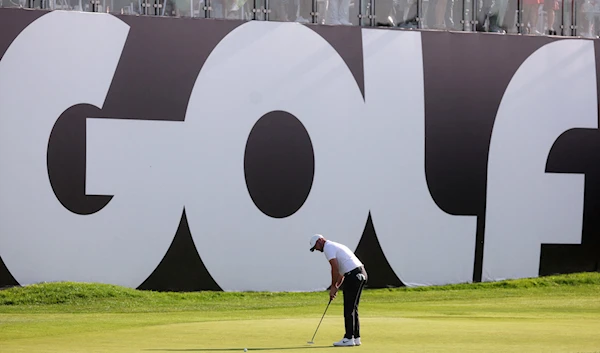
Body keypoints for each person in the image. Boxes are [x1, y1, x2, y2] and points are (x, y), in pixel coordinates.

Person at [309, 234, 368, 347]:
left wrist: (332, 287)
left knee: (348, 308)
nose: (316, 249)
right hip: (361, 273)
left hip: (353, 275)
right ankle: (356, 337)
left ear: (320, 240)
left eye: (316, 246)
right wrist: (336, 287)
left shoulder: (328, 247)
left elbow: (335, 268)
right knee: (353, 308)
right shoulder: (335, 246)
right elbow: (341, 274)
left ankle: (348, 338)